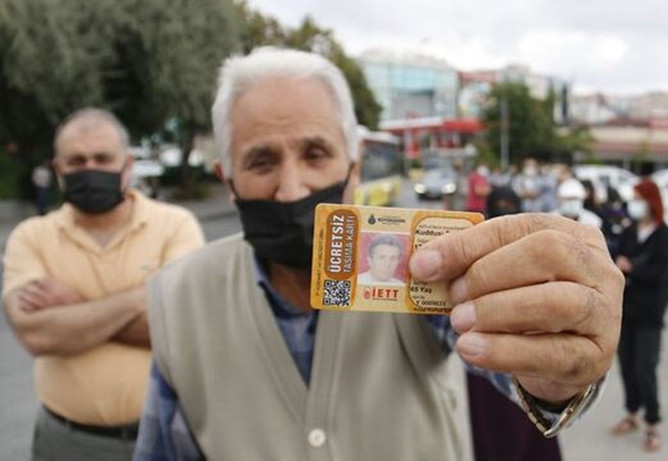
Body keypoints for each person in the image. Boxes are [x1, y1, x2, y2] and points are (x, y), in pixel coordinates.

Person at [134, 48, 624, 460]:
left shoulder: (421, 263)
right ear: (229, 182)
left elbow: (517, 369)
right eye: (262, 161)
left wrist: (557, 365)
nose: (290, 188)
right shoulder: (179, 298)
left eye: (315, 154)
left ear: (353, 168)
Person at [1, 108, 205, 460]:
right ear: (58, 170)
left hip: (168, 437)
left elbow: (183, 332)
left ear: (127, 165)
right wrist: (142, 299)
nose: (90, 169)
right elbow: (36, 334)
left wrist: (75, 306)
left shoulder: (175, 226)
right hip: (67, 442)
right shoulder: (30, 237)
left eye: (102, 158)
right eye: (77, 160)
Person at [469, 184, 563, 461]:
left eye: (510, 205)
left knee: (532, 433)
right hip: (484, 365)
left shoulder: (533, 248)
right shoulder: (475, 246)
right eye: (501, 204)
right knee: (493, 436)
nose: (504, 210)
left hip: (527, 362)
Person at [610, 179, 668, 453]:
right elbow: (617, 257)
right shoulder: (629, 230)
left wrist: (631, 267)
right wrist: (628, 265)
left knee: (645, 370)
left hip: (650, 315)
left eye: (638, 198)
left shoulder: (664, 234)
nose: (634, 204)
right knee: (626, 366)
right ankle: (632, 413)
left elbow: (658, 273)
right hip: (626, 311)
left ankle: (652, 424)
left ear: (651, 201)